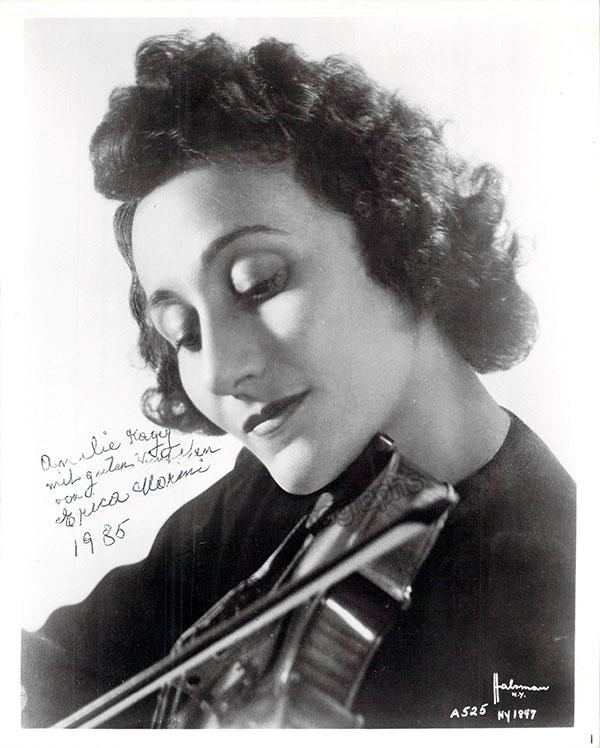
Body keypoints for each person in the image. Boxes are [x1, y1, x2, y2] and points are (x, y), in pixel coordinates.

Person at [21, 31, 575, 729]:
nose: (220, 370)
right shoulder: (273, 504)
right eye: (184, 333)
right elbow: (56, 670)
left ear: (401, 236)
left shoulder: (559, 600)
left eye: (260, 283)